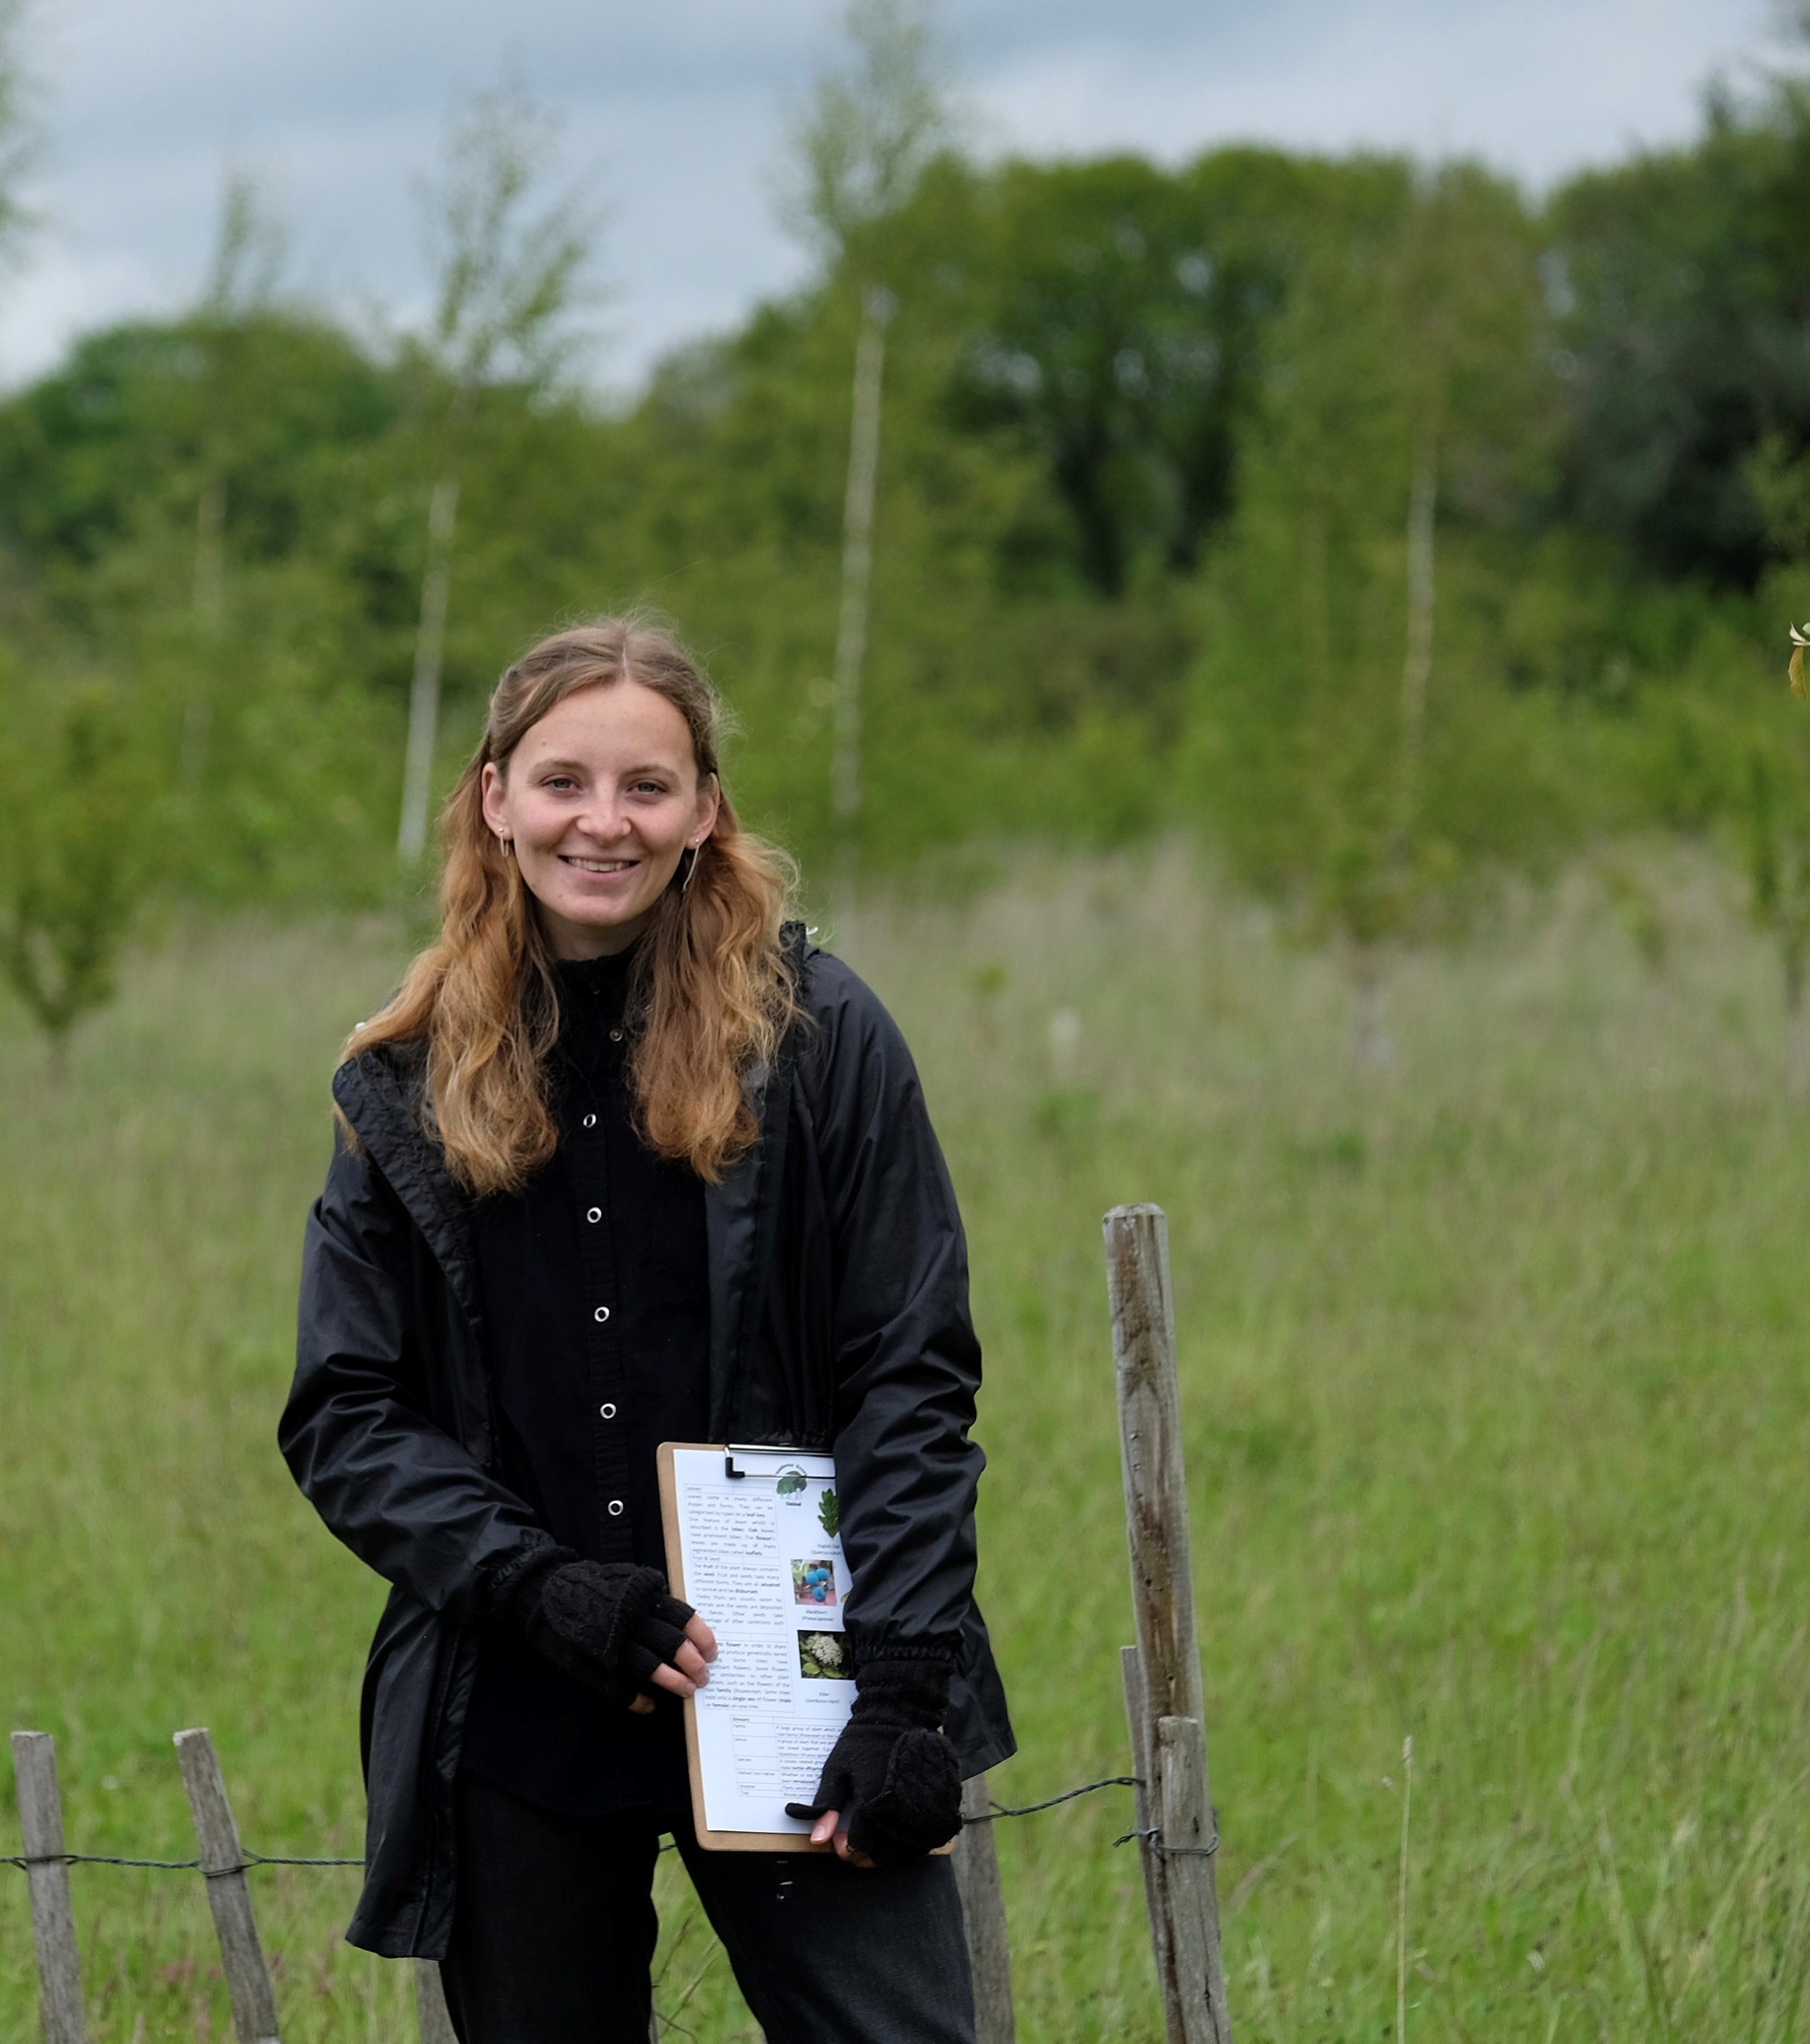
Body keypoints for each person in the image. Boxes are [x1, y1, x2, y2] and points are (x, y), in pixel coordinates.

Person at [279, 616, 1014, 2043]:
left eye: (645, 786)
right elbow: (346, 1412)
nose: (601, 822)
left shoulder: (818, 1039)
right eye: (562, 781)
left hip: (800, 1688)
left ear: (703, 811)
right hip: (520, 1701)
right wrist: (540, 1585)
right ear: (495, 798)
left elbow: (909, 1367)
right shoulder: (402, 1078)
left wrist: (905, 1687)